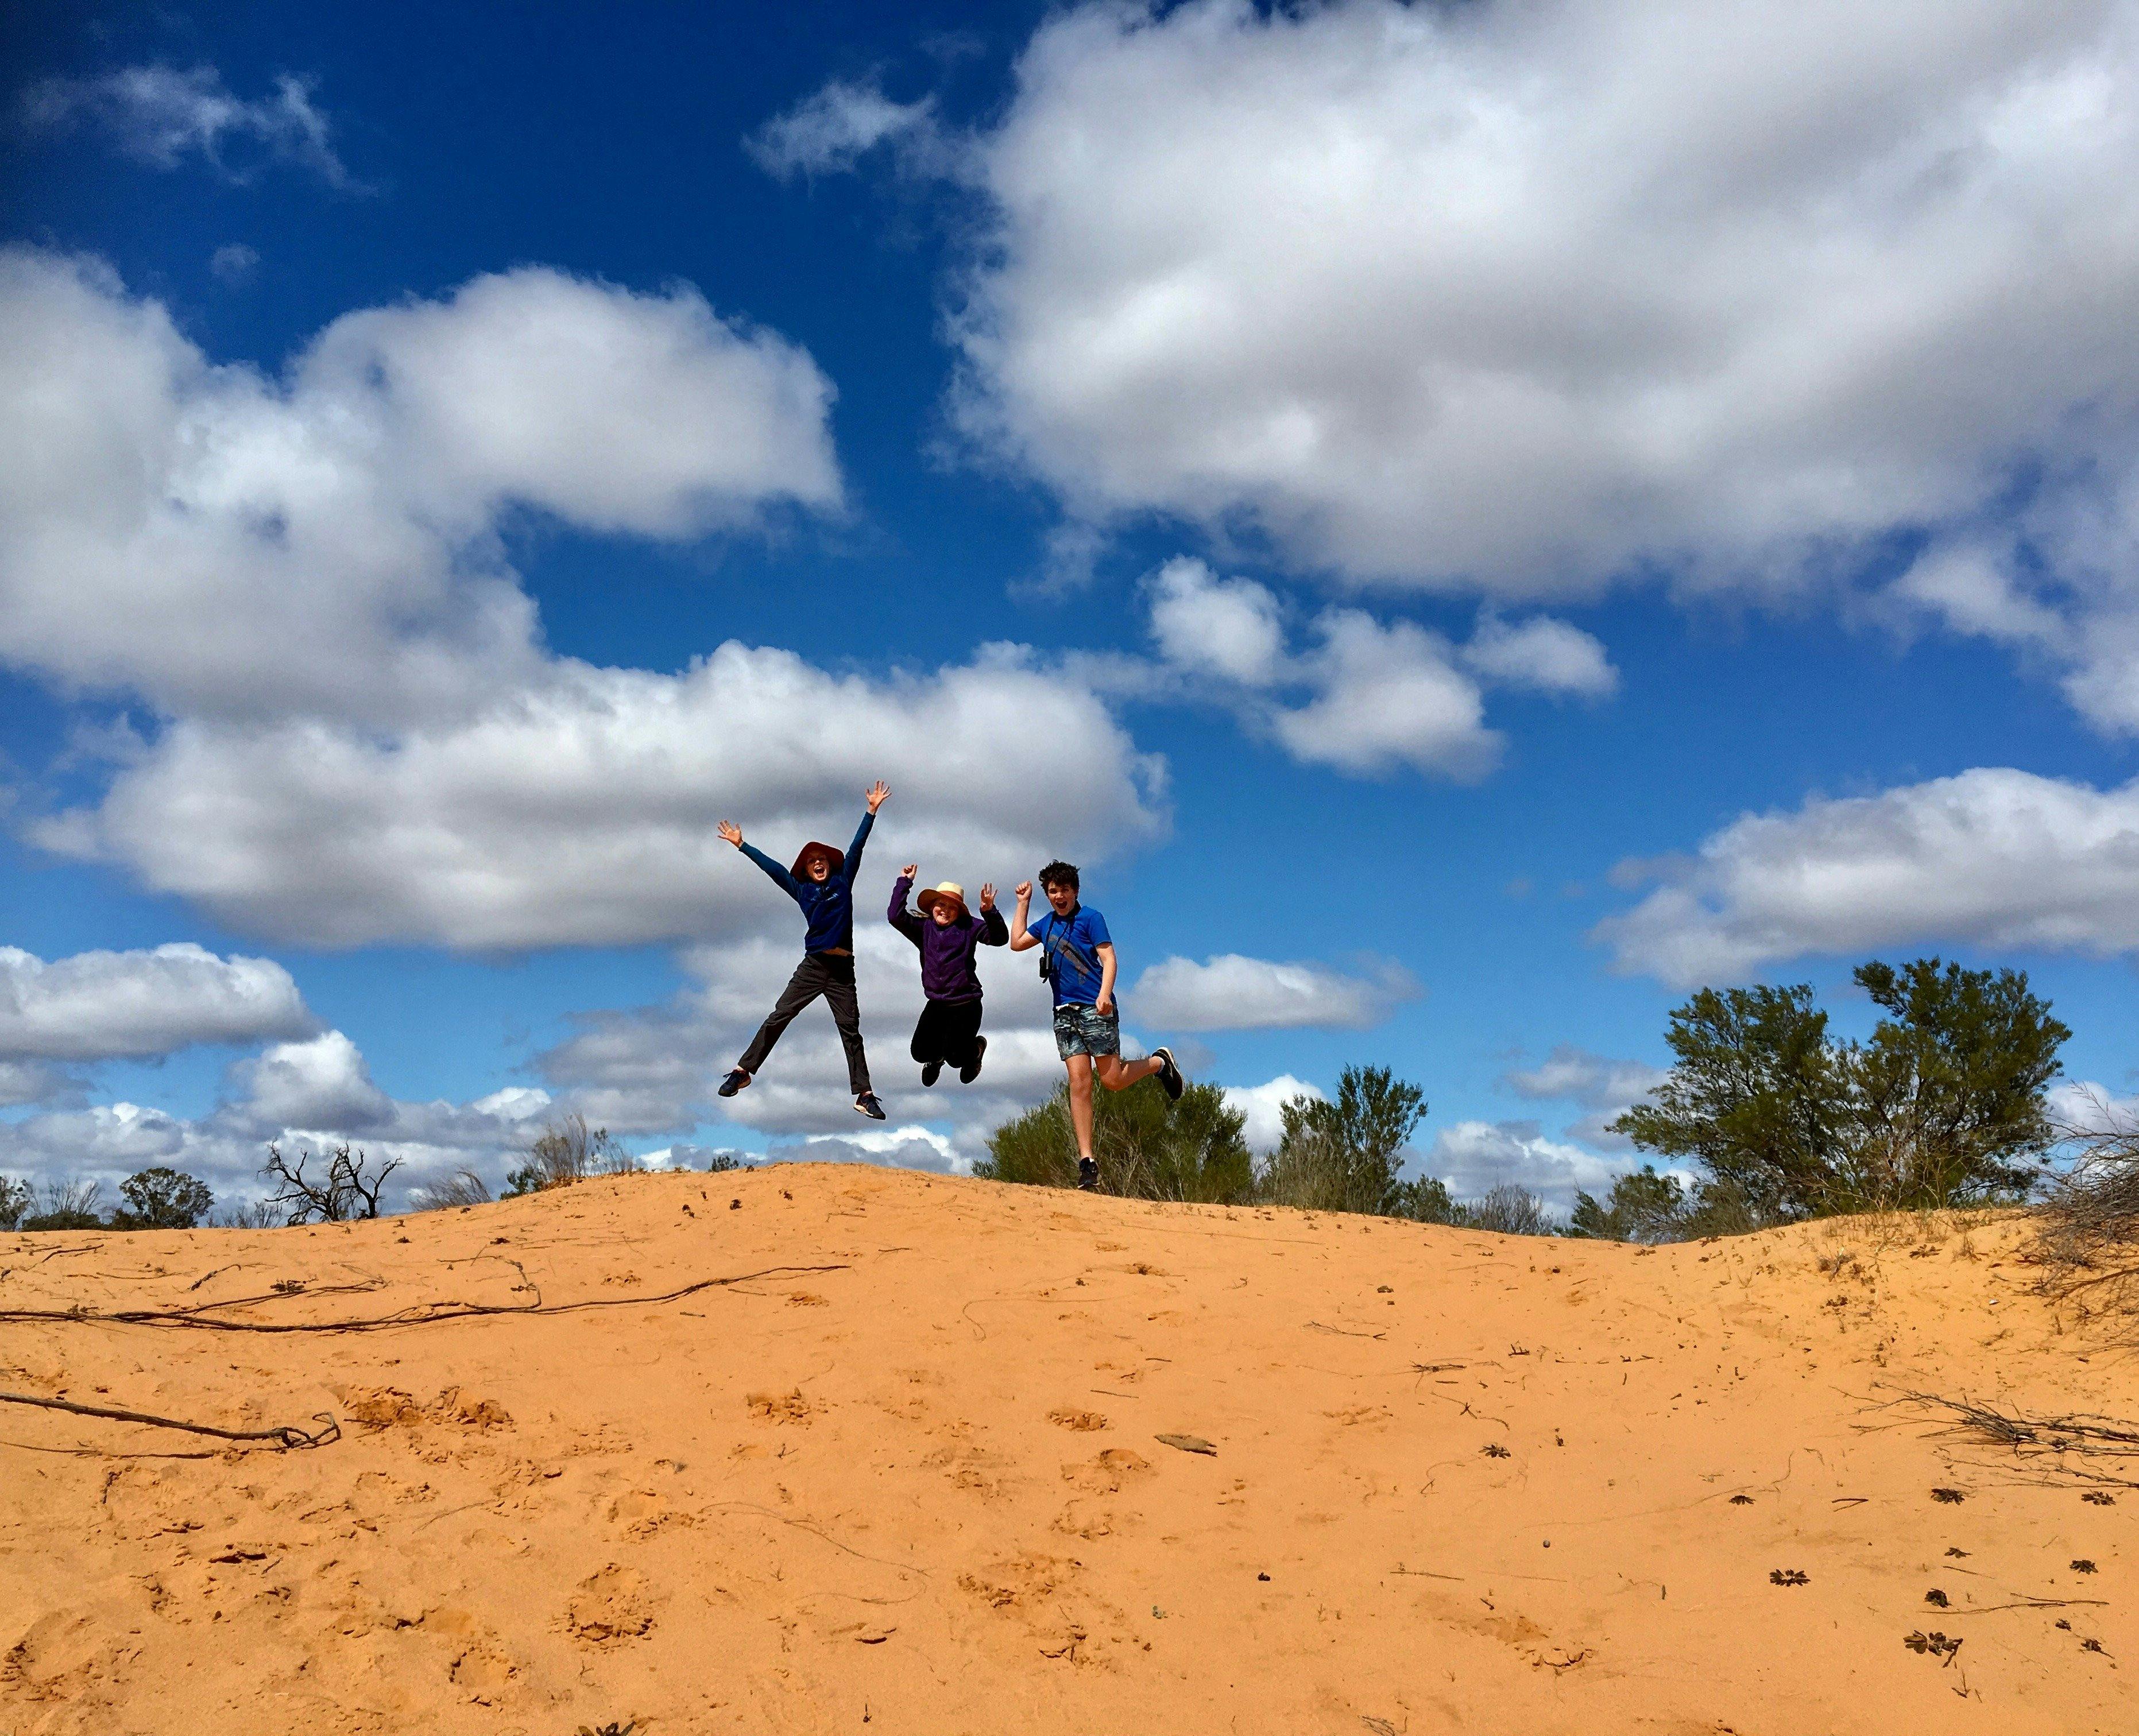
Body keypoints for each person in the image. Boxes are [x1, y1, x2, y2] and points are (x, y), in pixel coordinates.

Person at [716, 782, 889, 1119]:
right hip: (813, 967)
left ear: (829, 864)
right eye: (812, 863)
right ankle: (742, 1072)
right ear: (807, 870)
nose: (818, 864)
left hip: (843, 971)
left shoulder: (843, 881)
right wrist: (743, 846)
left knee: (851, 1031)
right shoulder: (802, 890)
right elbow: (775, 869)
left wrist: (871, 811)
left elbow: (857, 848)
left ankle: (864, 1094)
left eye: (822, 859)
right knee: (780, 1016)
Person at [1009, 859, 1183, 1190]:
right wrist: (1023, 903)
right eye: (1053, 891)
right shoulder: (1046, 924)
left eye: (1065, 890)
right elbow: (1016, 942)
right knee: (1079, 1083)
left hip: (1094, 1008)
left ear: (1076, 890)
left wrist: (1105, 994)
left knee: (1113, 1081)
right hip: (1064, 1013)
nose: (1059, 896)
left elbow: (1109, 958)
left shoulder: (1091, 918)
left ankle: (1159, 1063)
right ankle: (1087, 1161)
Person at [887, 869, 1008, 1086]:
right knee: (919, 1053)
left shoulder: (968, 926)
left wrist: (990, 912)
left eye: (952, 907)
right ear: (932, 906)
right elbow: (895, 916)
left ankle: (976, 1049)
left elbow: (999, 938)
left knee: (957, 1059)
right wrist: (904, 882)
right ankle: (936, 1059)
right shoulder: (923, 929)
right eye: (941, 905)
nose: (945, 911)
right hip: (937, 1005)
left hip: (966, 1004)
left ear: (959, 912)